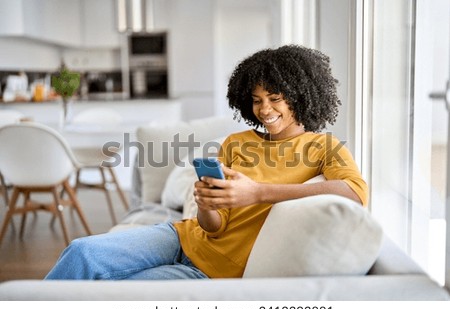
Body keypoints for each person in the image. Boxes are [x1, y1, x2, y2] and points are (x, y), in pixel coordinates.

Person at [45, 45, 368, 280]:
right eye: (256, 100)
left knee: (127, 292)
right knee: (82, 253)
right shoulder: (236, 142)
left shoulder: (324, 146)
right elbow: (213, 225)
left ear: (300, 95)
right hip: (179, 236)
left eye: (274, 99)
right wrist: (206, 202)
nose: (264, 110)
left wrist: (257, 193)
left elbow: (354, 193)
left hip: (213, 272)